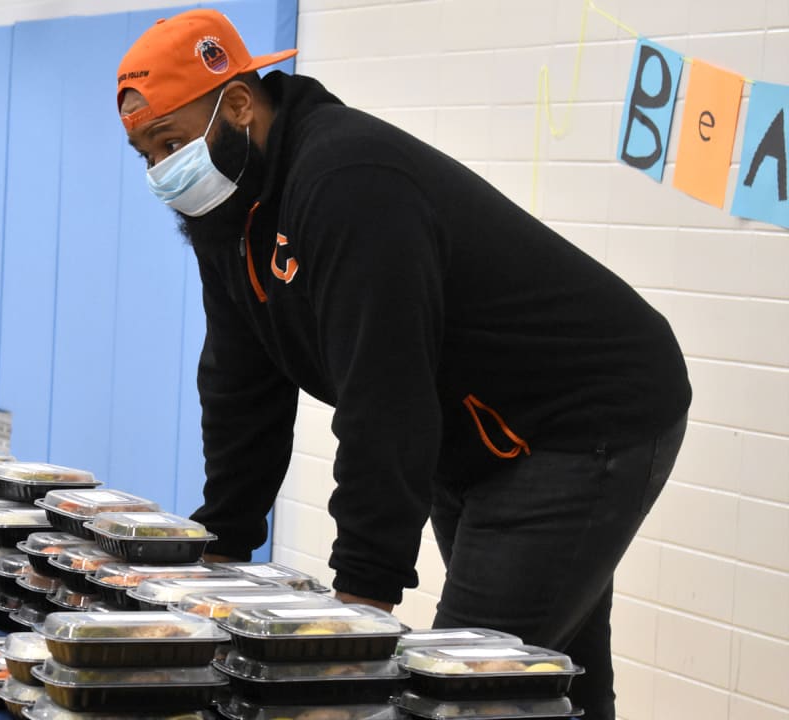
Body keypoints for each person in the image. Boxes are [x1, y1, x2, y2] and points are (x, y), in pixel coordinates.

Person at [115, 10, 690, 720]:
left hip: (579, 420)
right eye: (146, 153)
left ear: (237, 104)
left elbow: (382, 395)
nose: (161, 170)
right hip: (475, 435)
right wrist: (224, 545)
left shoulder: (348, 182)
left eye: (170, 142)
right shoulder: (227, 210)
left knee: (458, 692)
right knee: (547, 678)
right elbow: (240, 384)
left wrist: (362, 595)